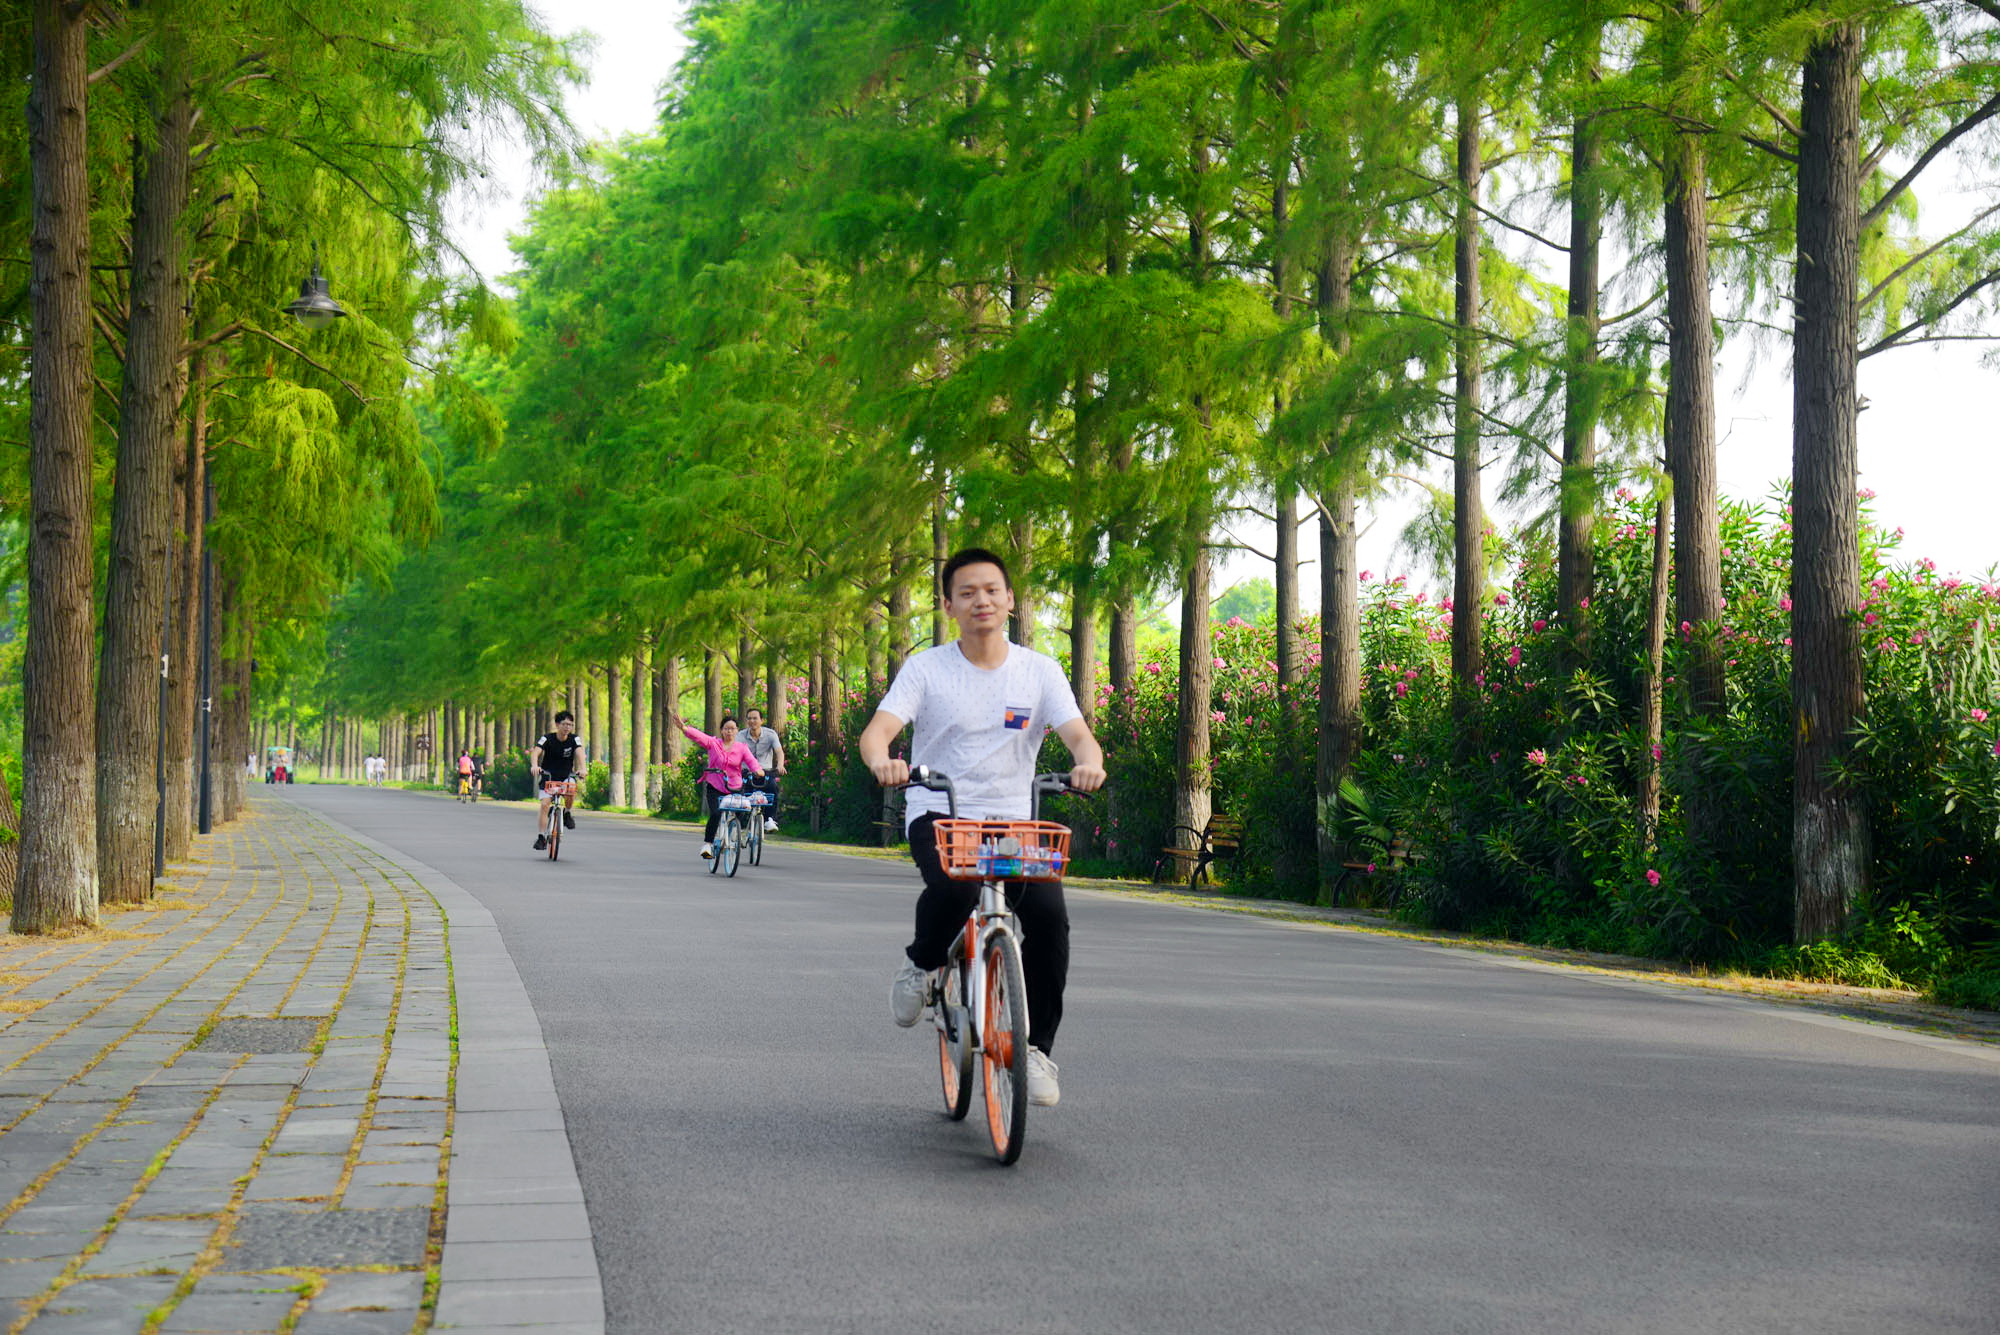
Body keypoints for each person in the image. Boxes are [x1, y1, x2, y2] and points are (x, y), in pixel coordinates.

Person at [857, 547, 1106, 1109]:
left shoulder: (1039, 671)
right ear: (949, 605)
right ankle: (923, 963)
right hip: (940, 811)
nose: (981, 601)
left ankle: (1036, 1051)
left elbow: (1078, 736)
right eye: (967, 592)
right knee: (956, 886)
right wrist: (882, 761)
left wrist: (1089, 762)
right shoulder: (926, 669)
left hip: (1015, 821)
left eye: (991, 590)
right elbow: (878, 733)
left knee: (1048, 920)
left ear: (1010, 600)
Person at [671, 709, 765, 860]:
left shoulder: (742, 748)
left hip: (735, 787)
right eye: (726, 728)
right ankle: (708, 844)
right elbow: (699, 737)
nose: (729, 731)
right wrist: (684, 728)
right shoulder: (714, 743)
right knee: (716, 813)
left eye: (733, 729)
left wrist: (758, 770)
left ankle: (733, 832)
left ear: (737, 731)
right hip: (715, 787)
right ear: (721, 730)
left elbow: (751, 762)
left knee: (742, 809)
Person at [529, 712, 584, 851]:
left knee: (571, 790)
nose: (567, 727)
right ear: (557, 725)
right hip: (549, 777)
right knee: (545, 804)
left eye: (570, 725)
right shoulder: (546, 738)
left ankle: (567, 813)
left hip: (566, 775)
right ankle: (541, 837)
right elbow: (536, 752)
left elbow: (579, 753)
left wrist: (583, 768)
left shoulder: (574, 739)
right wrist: (535, 765)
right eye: (564, 724)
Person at [738, 707, 786, 831]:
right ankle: (737, 821)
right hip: (746, 772)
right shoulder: (741, 736)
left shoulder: (770, 734)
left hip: (765, 771)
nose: (752, 721)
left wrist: (780, 765)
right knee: (740, 792)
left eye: (755, 718)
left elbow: (779, 752)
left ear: (761, 721)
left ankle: (770, 819)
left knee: (773, 789)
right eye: (749, 718)